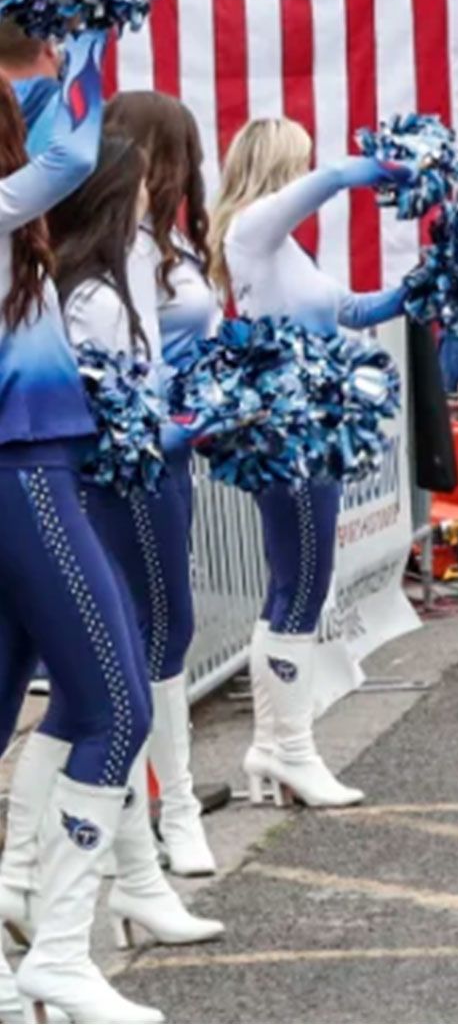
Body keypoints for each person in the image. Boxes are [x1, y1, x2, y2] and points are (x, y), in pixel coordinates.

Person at [0, 15, 180, 1023]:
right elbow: (72, 144)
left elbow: (50, 135)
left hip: (30, 466)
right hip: (20, 471)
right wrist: (95, 21)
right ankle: (59, 954)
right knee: (116, 702)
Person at [47, 138, 230, 952]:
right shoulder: (88, 297)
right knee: (113, 683)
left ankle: (130, 885)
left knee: (119, 680)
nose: (154, 203)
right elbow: (106, 413)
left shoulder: (122, 283)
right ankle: (44, 900)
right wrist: (181, 429)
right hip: (102, 488)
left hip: (116, 479)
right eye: (140, 192)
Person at [209, 116, 421, 806]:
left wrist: (422, 287)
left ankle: (275, 748)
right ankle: (290, 751)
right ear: (279, 168)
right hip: (286, 433)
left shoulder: (284, 252)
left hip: (309, 430)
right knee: (300, 586)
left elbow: (351, 309)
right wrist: (378, 168)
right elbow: (330, 181)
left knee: (297, 585)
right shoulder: (252, 231)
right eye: (296, 162)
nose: (309, 172)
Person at [102, 90, 225, 878]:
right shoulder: (115, 249)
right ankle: (153, 815)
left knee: (163, 632)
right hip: (132, 460)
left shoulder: (162, 245)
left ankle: (163, 809)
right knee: (143, 634)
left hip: (170, 455)